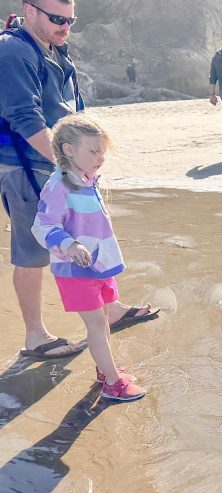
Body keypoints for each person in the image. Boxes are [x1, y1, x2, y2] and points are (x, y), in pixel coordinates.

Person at [0, 0, 157, 361]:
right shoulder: (12, 52)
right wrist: (66, 166)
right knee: (33, 249)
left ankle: (111, 308)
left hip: (61, 165)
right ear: (30, 12)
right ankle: (36, 335)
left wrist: (85, 159)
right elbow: (24, 116)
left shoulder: (55, 50)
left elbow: (72, 110)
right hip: (27, 167)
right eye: (57, 18)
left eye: (70, 20)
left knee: (91, 231)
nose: (65, 27)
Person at [32, 115, 146, 401]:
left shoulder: (85, 178)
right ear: (69, 150)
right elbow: (42, 225)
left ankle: (105, 370)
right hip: (76, 270)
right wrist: (69, 245)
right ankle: (111, 383)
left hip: (98, 266)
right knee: (95, 325)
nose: (101, 157)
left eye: (102, 151)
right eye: (93, 151)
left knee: (103, 321)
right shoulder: (57, 186)